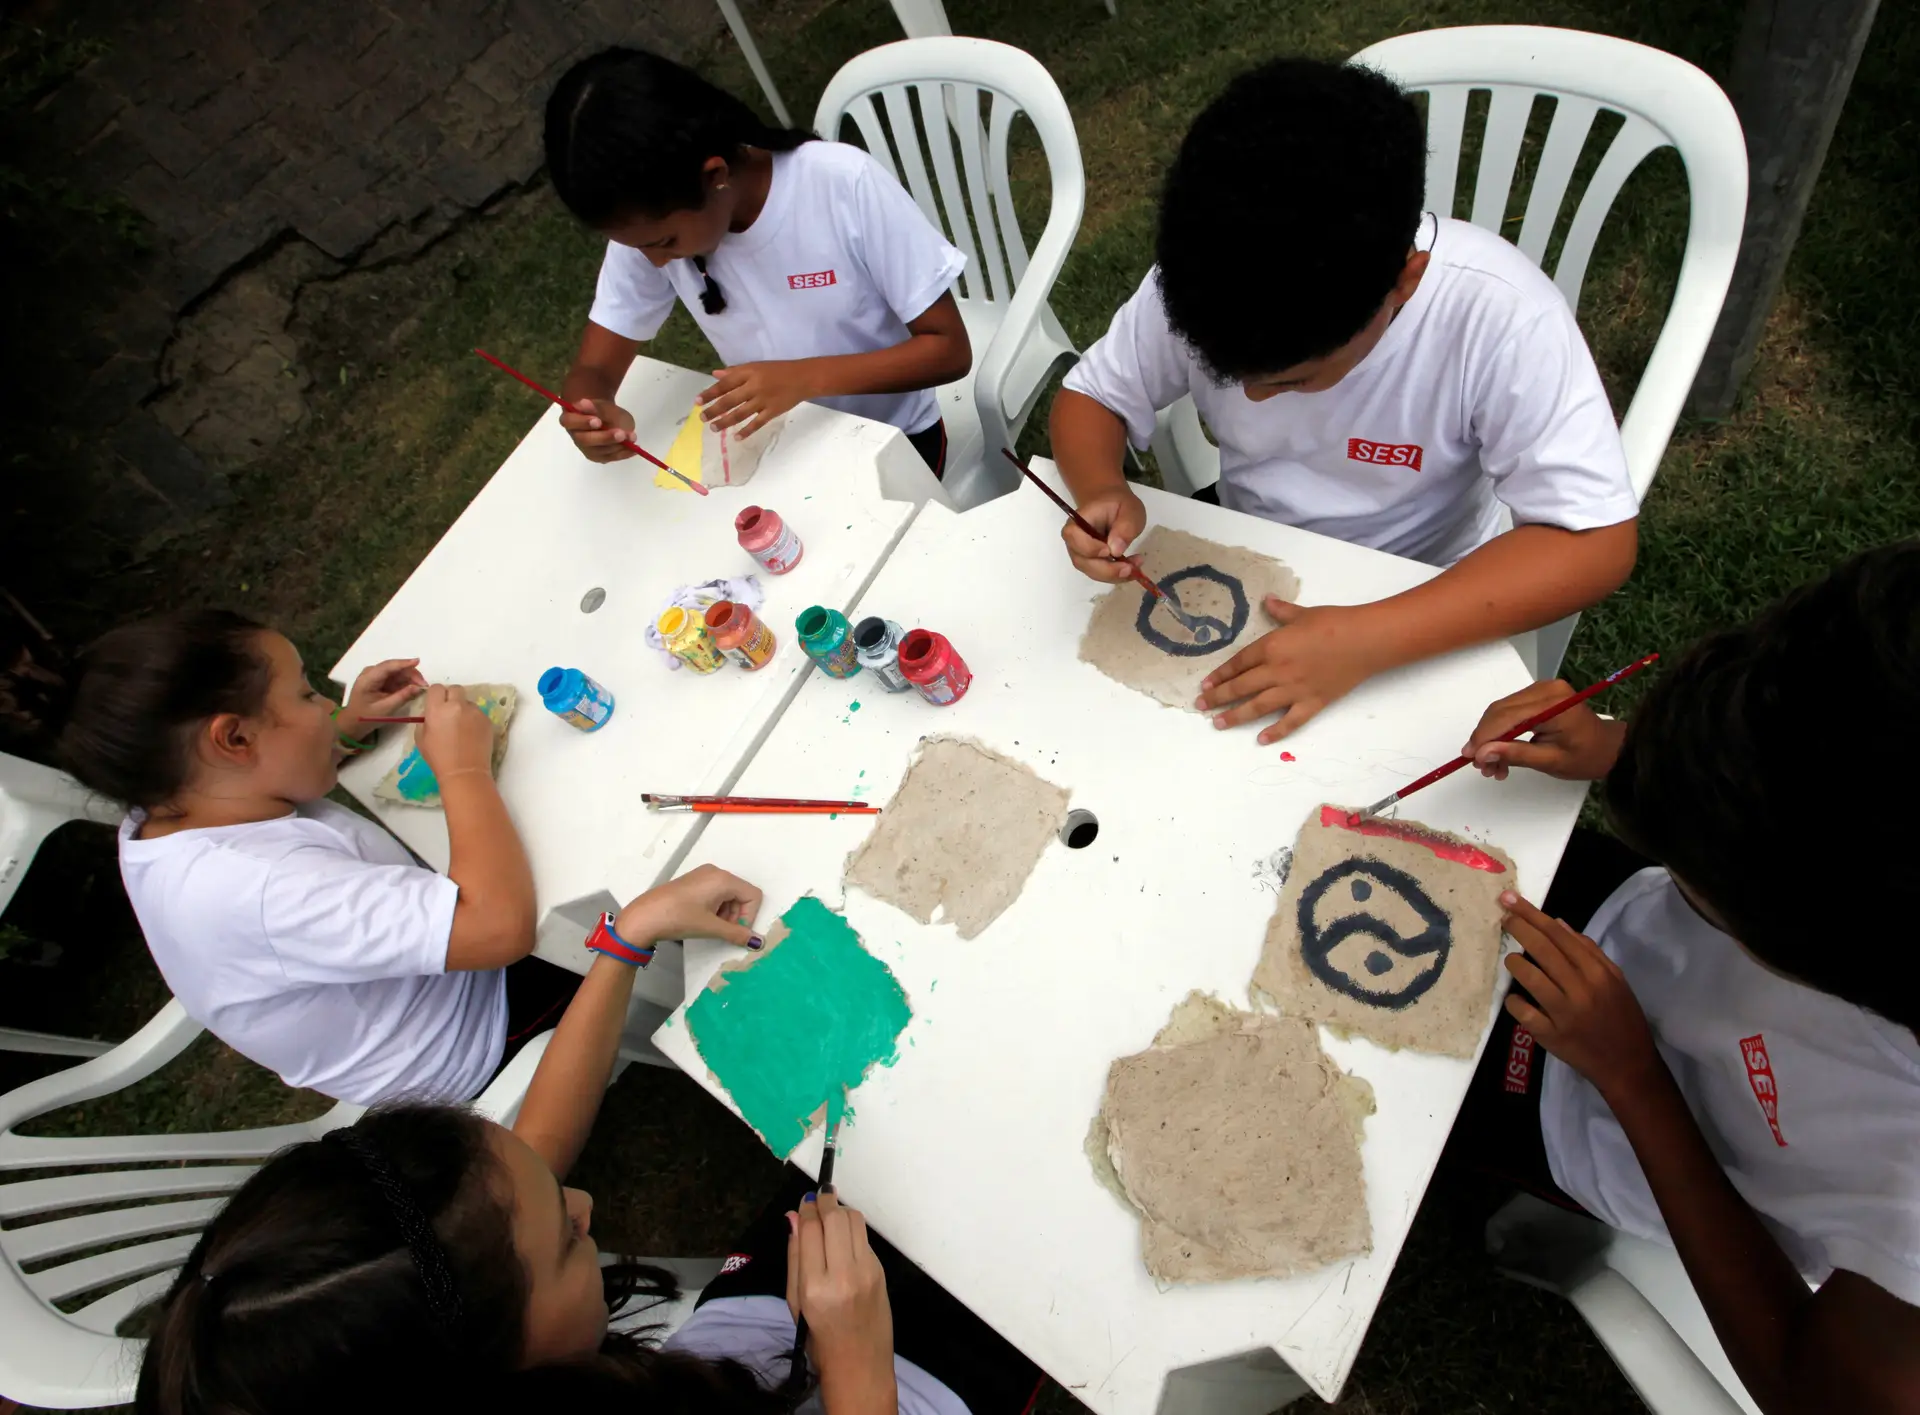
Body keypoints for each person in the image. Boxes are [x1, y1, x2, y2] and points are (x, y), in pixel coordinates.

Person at [131, 861, 1041, 1415]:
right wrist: (852, 1367)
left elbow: (530, 1155)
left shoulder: (439, 1296)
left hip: (755, 1348)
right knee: (1025, 1242)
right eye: (569, 1240)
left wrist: (625, 937)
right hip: (874, 1384)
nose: (585, 1202)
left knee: (922, 1146)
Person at [1450, 542, 1920, 1412]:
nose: (1681, 862)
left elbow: (1808, 1387)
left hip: (1592, 1111)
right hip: (1608, 939)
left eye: (1704, 874)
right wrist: (1623, 755)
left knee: (1405, 1096)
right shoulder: (1872, 794)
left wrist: (1632, 1074)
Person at [1050, 57, 1639, 745]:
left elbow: (1595, 541)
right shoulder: (1211, 274)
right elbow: (1091, 394)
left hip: (1423, 589)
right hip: (1258, 551)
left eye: (1293, 380)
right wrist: (1100, 486)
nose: (1255, 398)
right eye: (1229, 374)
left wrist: (1369, 637)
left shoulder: (1500, 316)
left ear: (1405, 283)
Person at [0, 608, 669, 1105]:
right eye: (304, 694)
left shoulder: (167, 802)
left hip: (435, 982)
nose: (322, 703)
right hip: (474, 1034)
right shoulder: (256, 889)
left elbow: (258, 785)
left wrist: (343, 730)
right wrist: (463, 769)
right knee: (625, 862)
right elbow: (500, 929)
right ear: (233, 738)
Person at [546, 48, 973, 478]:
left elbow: (949, 350)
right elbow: (594, 368)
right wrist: (589, 410)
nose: (654, 261)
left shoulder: (840, 185)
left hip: (893, 439)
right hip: (778, 447)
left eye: (665, 243)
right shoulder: (649, 228)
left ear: (715, 177)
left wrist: (805, 379)